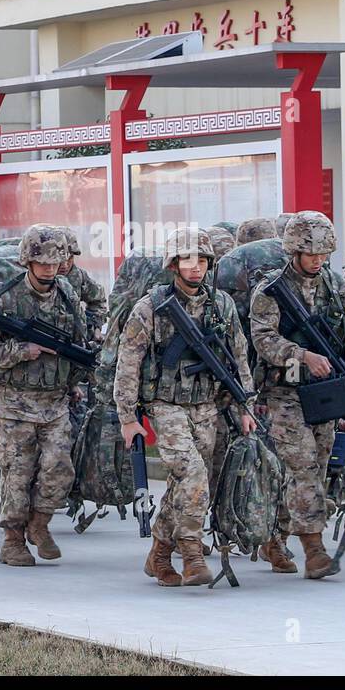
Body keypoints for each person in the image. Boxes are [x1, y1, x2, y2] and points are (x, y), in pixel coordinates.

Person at [114, 227, 255, 587]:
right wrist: (128, 417)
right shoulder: (151, 307)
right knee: (192, 476)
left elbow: (239, 356)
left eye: (203, 261)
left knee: (189, 483)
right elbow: (128, 363)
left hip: (207, 406)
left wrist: (245, 406)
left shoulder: (220, 305)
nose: (196, 268)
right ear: (174, 264)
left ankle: (159, 552)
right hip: (166, 405)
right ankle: (191, 552)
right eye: (188, 260)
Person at [249, 211, 345, 580]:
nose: (318, 260)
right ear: (293, 251)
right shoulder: (271, 291)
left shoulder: (338, 289)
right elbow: (263, 339)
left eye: (324, 254)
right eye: (311, 254)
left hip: (325, 394)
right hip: (285, 393)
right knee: (303, 466)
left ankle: (275, 532)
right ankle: (314, 548)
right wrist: (301, 355)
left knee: (316, 469)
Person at [0, 225, 87, 566]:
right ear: (28, 262)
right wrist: (22, 350)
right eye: (42, 262)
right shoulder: (5, 299)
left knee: (59, 467)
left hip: (54, 401)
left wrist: (74, 381)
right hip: (13, 403)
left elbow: (75, 344)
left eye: (55, 262)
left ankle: (40, 523)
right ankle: (12, 540)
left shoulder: (67, 296)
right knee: (17, 473)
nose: (49, 268)